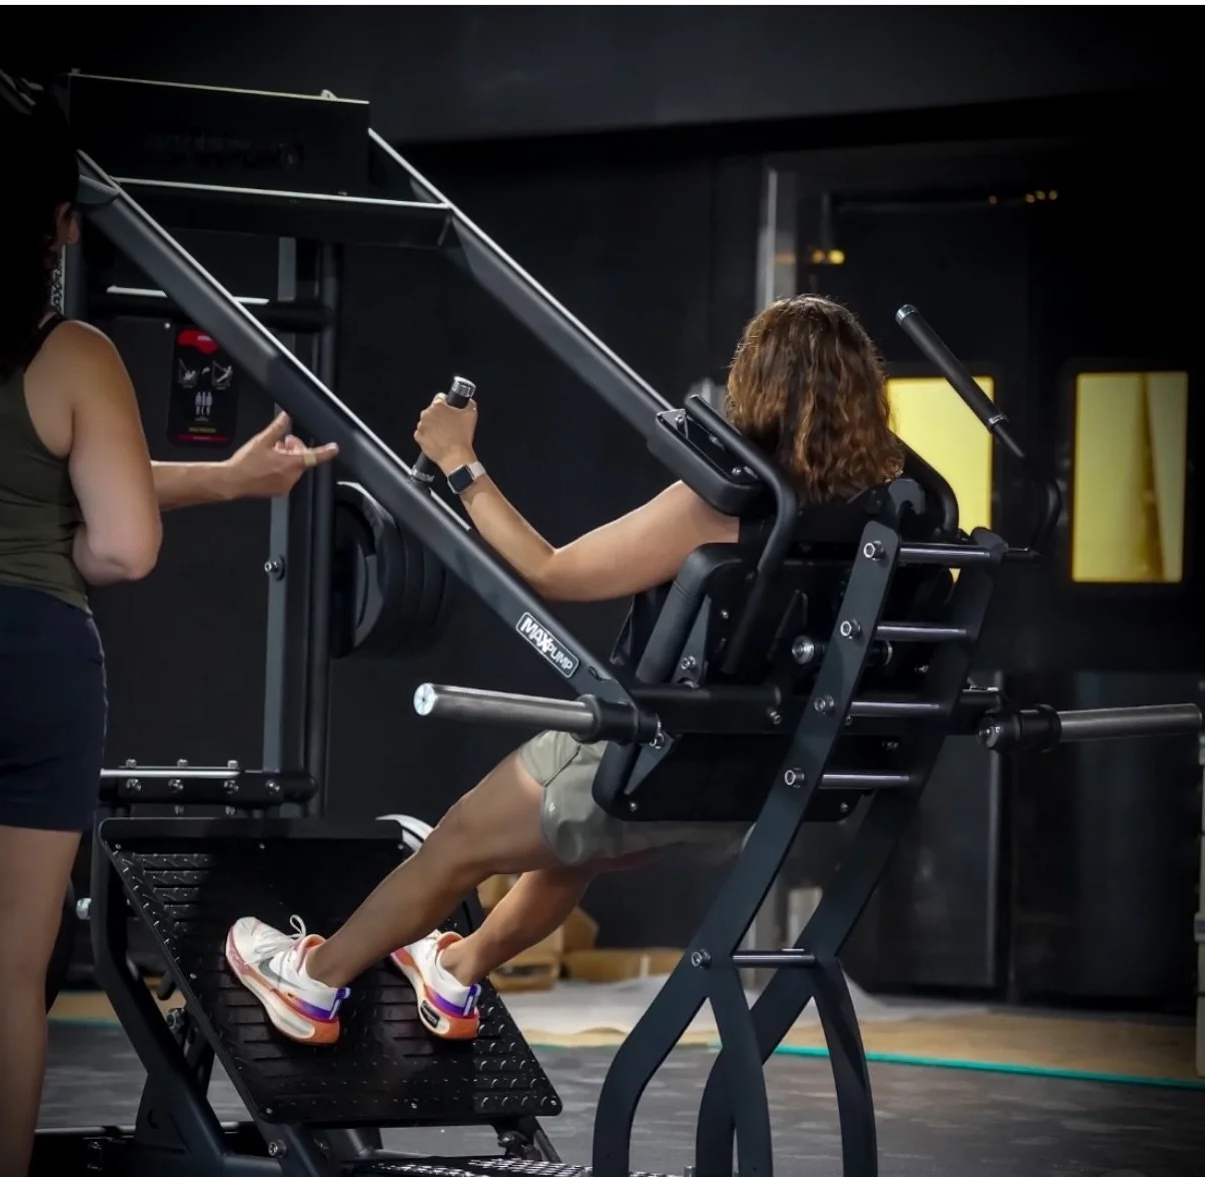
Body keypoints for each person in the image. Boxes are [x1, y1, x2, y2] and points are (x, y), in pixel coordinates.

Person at [224, 293, 906, 1046]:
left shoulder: (724, 505)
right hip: (735, 792)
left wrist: (459, 461)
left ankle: (311, 983)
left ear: (756, 384)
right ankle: (456, 973)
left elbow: (550, 569)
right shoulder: (871, 517)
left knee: (457, 842)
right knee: (563, 848)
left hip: (645, 757)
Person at [0, 88, 336, 1177]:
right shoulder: (71, 355)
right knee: (4, 979)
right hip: (23, 659)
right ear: (59, 222)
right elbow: (122, 543)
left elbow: (17, 474)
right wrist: (58, 555)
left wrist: (232, 477)